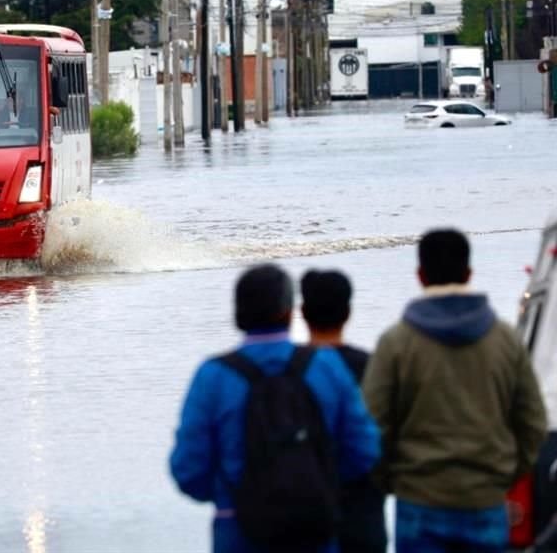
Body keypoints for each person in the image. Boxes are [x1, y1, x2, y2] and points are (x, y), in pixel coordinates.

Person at [170, 264, 381, 553]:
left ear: (238, 312)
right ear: (290, 312)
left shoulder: (213, 376)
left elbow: (188, 471)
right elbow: (364, 452)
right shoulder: (327, 366)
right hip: (314, 530)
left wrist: (232, 498)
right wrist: (316, 486)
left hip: (238, 530)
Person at [362, 229, 548, 553]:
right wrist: (504, 475)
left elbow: (372, 426)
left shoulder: (396, 343)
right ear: (469, 273)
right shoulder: (504, 340)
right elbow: (533, 423)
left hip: (418, 499)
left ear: (420, 275)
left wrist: (393, 482)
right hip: (486, 500)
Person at [301, 269, 387, 553]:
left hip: (301, 520)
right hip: (363, 517)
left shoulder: (284, 373)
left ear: (302, 312)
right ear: (348, 312)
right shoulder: (374, 368)